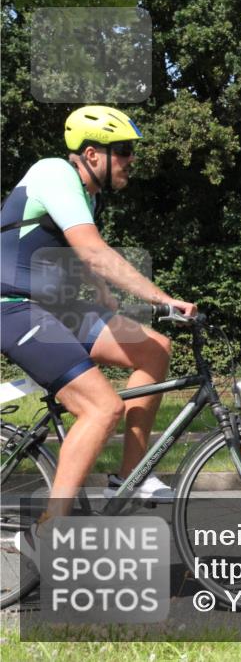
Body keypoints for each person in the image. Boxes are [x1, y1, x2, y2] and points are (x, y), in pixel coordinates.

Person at [1, 106, 196, 556]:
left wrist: (115, 308)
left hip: (54, 309)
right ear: (91, 154)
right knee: (101, 408)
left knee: (153, 349)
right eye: (123, 151)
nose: (131, 160)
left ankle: (128, 477)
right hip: (13, 307)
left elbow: (85, 267)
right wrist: (161, 299)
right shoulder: (53, 173)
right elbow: (92, 251)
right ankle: (47, 531)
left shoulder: (88, 197)